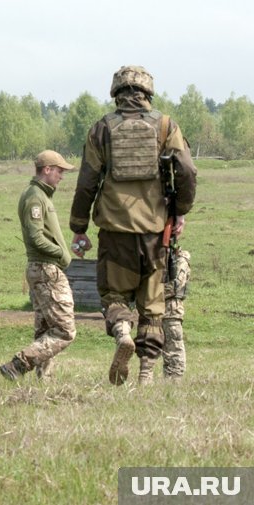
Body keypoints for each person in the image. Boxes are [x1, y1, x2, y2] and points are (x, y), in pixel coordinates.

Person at [69, 66, 197, 385]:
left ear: (116, 93)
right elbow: (187, 172)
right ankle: (145, 374)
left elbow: (86, 182)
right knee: (153, 306)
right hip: (155, 233)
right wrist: (179, 211)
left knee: (113, 295)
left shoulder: (101, 129)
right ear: (148, 94)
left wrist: (78, 225)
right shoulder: (166, 126)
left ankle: (123, 331)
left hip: (114, 231)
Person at [0, 150, 77, 381]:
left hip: (42, 269)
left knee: (45, 330)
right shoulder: (35, 197)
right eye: (59, 170)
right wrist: (62, 254)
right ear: (47, 170)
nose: (62, 175)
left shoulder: (41, 195)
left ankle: (45, 380)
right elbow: (36, 238)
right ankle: (18, 365)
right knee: (65, 331)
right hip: (46, 269)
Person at [162, 247, 191, 379]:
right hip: (158, 309)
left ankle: (175, 380)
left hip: (172, 310)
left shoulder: (180, 260)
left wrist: (152, 292)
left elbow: (176, 285)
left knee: (174, 346)